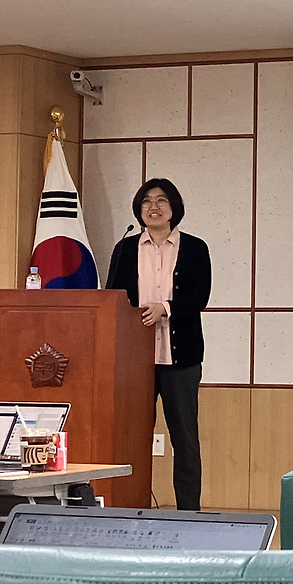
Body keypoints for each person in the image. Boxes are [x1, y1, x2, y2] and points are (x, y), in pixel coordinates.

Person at [106, 179, 212, 511]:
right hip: (134, 363)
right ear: (139, 209)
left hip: (181, 359)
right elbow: (112, 297)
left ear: (174, 207)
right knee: (133, 439)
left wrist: (164, 308)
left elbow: (199, 297)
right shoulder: (125, 249)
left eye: (161, 200)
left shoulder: (195, 248)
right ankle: (130, 505)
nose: (154, 207)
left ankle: (189, 513)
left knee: (185, 439)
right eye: (147, 201)